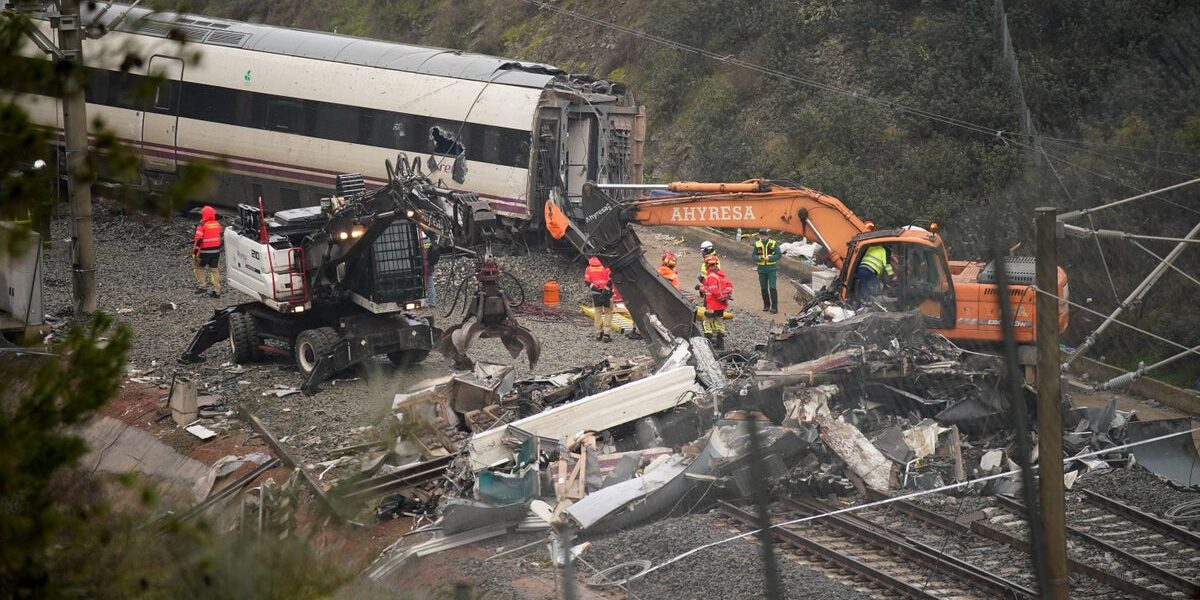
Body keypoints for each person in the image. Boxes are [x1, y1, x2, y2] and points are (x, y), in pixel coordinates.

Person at [701, 254, 733, 350]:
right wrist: (724, 298)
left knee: (707, 322)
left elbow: (713, 290)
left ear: (707, 264)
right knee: (719, 322)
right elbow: (727, 287)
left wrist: (720, 297)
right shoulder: (720, 275)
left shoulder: (711, 276)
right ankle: (720, 344)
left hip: (712, 305)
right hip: (721, 306)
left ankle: (709, 342)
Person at [192, 205, 222, 297]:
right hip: (216, 252)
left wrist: (195, 253)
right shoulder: (217, 225)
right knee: (214, 270)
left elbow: (199, 240)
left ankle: (202, 286)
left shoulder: (202, 226)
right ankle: (216, 291)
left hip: (204, 252)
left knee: (198, 268)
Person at [584, 256, 614, 342]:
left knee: (597, 313)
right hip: (607, 294)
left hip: (596, 294)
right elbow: (610, 280)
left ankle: (598, 334)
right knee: (608, 312)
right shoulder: (606, 267)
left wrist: (597, 289)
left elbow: (587, 281)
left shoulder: (588, 269)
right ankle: (606, 334)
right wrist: (604, 291)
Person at [752, 228, 781, 313]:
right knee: (763, 288)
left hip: (771, 269)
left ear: (768, 236)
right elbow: (754, 255)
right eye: (761, 235)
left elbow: (779, 255)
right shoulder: (757, 244)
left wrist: (770, 258)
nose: (762, 237)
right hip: (761, 269)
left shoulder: (773, 243)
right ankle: (766, 305)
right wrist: (758, 258)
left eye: (764, 235)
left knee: (772, 287)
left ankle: (774, 307)